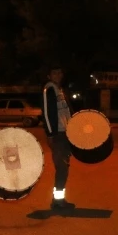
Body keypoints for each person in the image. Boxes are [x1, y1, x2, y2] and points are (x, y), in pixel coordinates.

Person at [42, 65, 76, 210]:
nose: (57, 75)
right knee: (62, 168)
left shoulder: (60, 90)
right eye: (54, 73)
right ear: (49, 76)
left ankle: (59, 200)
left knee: (64, 167)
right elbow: (46, 113)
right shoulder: (49, 89)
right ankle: (57, 201)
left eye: (59, 72)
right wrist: (50, 134)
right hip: (58, 135)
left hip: (66, 133)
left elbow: (67, 111)